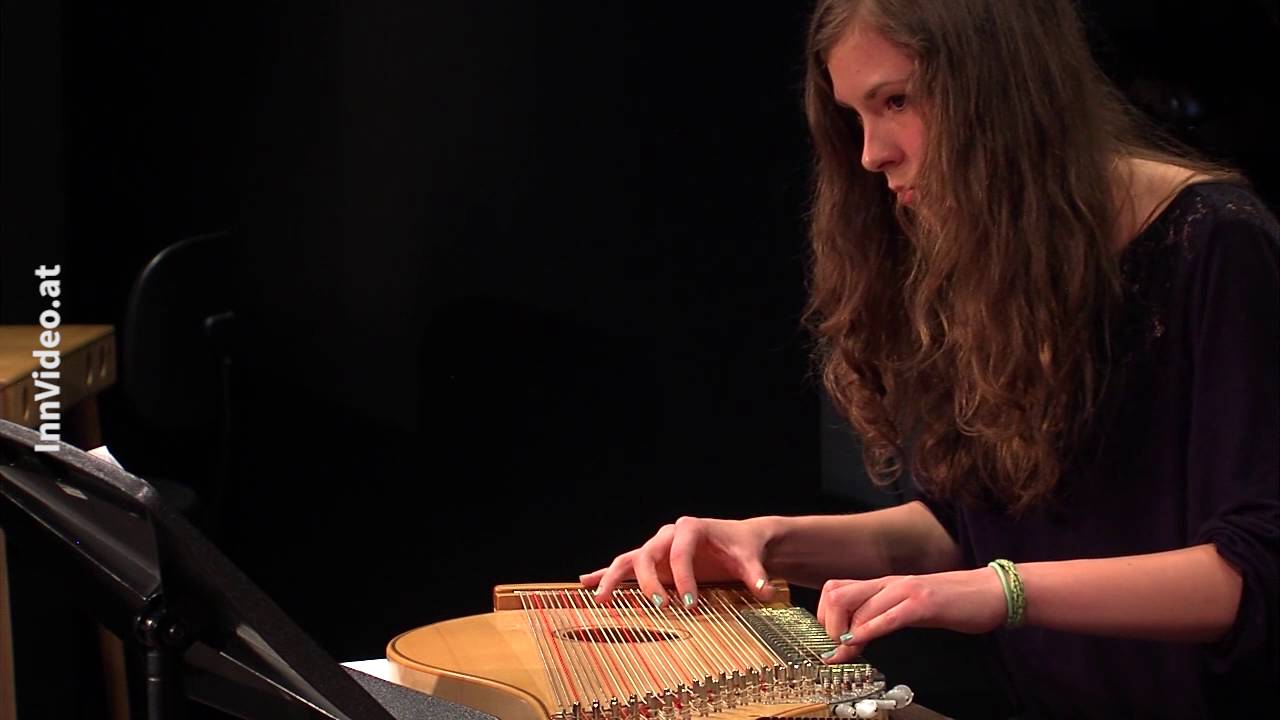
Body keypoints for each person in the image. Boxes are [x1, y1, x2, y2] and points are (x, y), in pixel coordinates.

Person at [580, 1, 1279, 717]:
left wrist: (999, 590)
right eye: (856, 116)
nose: (870, 152)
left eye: (896, 100)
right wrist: (764, 542)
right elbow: (966, 528)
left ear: (1001, 86)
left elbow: (1251, 574)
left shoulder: (1216, 242)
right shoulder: (988, 252)